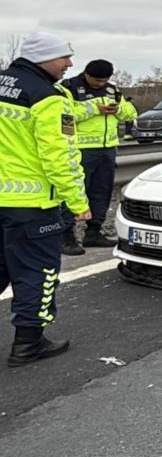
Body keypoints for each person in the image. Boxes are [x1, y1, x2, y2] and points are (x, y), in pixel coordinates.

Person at [1, 31, 94, 366]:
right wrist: (78, 202)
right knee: (37, 272)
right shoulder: (49, 97)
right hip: (32, 204)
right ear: (43, 58)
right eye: (63, 58)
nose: (69, 64)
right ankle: (28, 343)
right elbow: (61, 156)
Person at [61, 59, 137, 254]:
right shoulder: (68, 88)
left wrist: (118, 109)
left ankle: (93, 232)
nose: (100, 84)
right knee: (74, 192)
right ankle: (65, 236)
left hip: (107, 149)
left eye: (104, 81)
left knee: (101, 192)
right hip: (80, 149)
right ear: (86, 74)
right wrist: (94, 109)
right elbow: (65, 116)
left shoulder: (112, 90)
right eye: (97, 80)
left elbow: (130, 113)